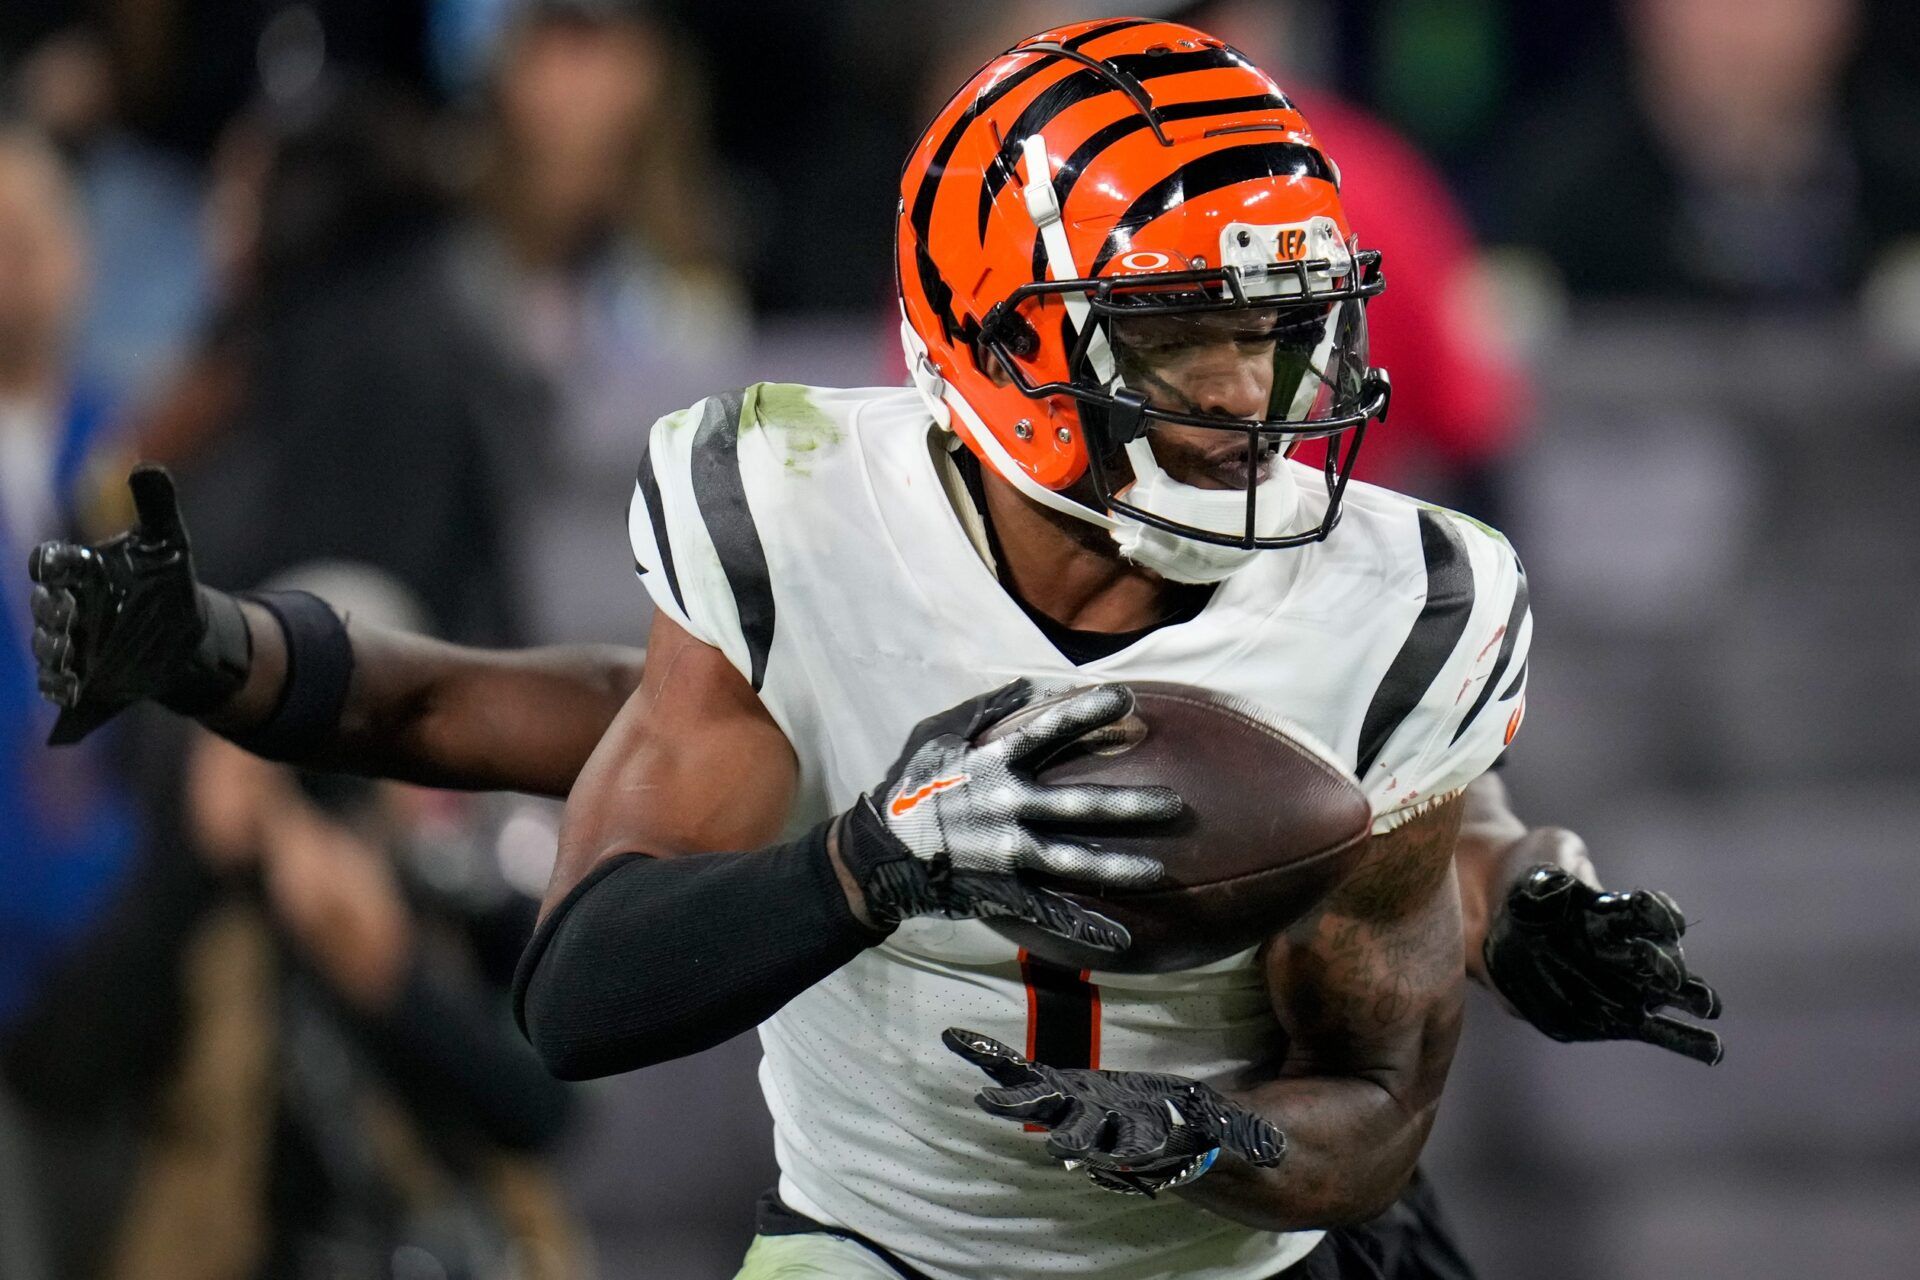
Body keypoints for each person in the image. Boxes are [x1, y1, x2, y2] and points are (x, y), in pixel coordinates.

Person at [25, 17, 1721, 1279]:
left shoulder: (1393, 602)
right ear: (986, 333)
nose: (1247, 399)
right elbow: (579, 992)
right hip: (891, 1247)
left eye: (1279, 334)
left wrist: (1220, 1135)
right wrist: (879, 861)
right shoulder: (807, 513)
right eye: (1184, 334)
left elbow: (1378, 1094)